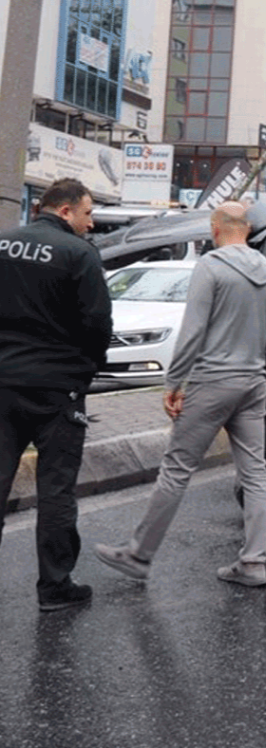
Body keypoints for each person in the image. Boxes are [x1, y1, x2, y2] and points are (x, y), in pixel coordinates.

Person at [94, 201, 266, 587]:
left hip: (212, 381)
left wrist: (173, 383)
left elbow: (193, 332)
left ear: (215, 229)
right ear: (245, 229)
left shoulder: (210, 267)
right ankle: (253, 562)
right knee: (255, 471)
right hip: (253, 381)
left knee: (176, 471)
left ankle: (138, 554)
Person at [0, 178, 112, 611]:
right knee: (56, 491)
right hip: (56, 390)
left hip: (3, 383)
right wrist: (84, 371)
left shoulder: (4, 244)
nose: (92, 221)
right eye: (87, 212)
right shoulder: (79, 254)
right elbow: (98, 323)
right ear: (65, 211)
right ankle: (55, 586)